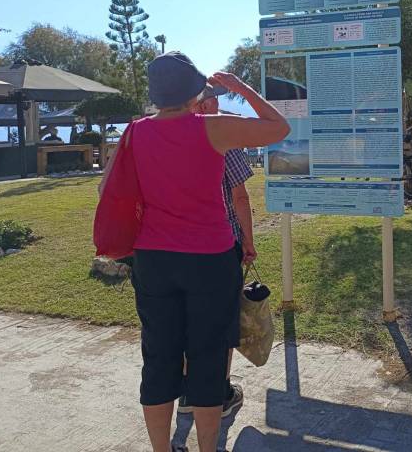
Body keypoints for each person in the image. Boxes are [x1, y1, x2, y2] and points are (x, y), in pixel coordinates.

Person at [100, 52, 289, 452]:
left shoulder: (134, 133)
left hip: (153, 260)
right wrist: (242, 89)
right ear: (194, 92)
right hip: (210, 260)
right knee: (207, 357)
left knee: (159, 357)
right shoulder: (213, 129)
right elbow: (279, 127)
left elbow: (106, 190)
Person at [171, 85, 257, 452]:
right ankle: (220, 394)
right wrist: (249, 242)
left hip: (178, 247)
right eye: (215, 104)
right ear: (203, 104)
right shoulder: (222, 140)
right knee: (221, 324)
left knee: (188, 322)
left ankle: (189, 394)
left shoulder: (170, 138)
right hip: (221, 245)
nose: (219, 111)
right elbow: (239, 195)